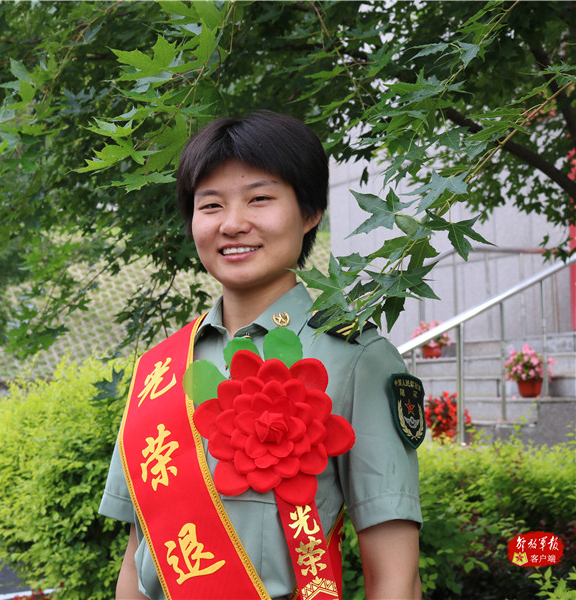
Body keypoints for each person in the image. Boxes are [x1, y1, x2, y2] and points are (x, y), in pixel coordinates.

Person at [99, 110, 423, 600]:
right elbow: (137, 560)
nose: (233, 223)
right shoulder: (160, 370)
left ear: (310, 212)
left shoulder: (358, 359)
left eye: (260, 199)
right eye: (210, 206)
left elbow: (396, 577)